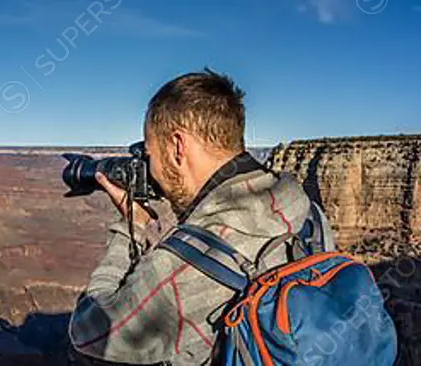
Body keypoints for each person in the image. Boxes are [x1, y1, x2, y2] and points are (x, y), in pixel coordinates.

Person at [68, 69, 336, 365]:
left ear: (177, 147)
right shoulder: (306, 211)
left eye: (150, 154)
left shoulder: (188, 263)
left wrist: (132, 226)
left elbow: (90, 332)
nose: (151, 169)